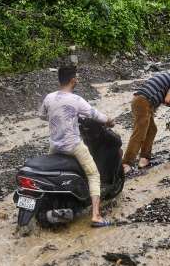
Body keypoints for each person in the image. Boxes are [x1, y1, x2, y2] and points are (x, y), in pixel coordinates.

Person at [39, 65, 114, 227]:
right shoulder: (76, 100)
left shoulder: (49, 98)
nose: (77, 80)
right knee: (93, 174)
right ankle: (96, 215)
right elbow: (96, 115)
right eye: (76, 77)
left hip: (55, 146)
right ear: (73, 80)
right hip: (73, 146)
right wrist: (110, 120)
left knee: (49, 174)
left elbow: (42, 116)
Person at [123, 65, 170, 172]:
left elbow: (163, 98)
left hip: (141, 101)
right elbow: (168, 99)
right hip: (143, 102)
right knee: (139, 133)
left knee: (151, 130)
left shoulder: (167, 74)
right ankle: (126, 163)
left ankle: (144, 158)